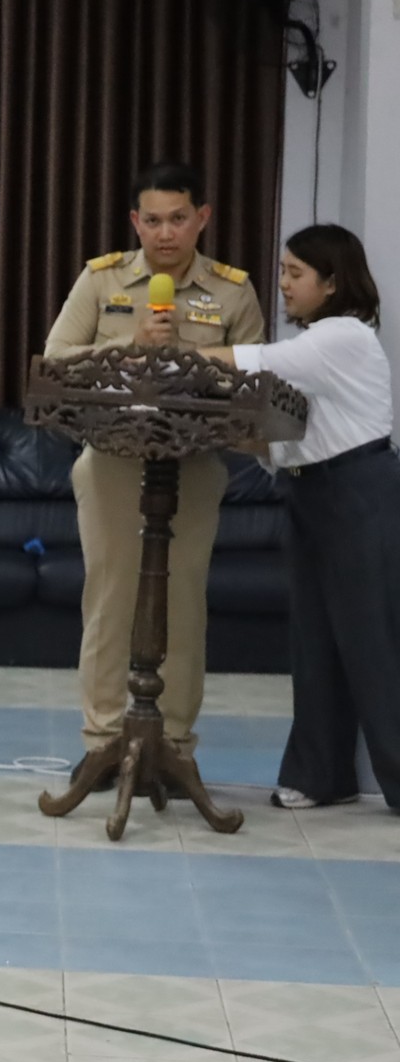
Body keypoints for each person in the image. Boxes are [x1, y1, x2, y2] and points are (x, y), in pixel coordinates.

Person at [45, 162, 265, 788]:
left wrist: (194, 360)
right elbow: (57, 361)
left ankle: (172, 743)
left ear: (202, 218)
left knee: (184, 603)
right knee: (112, 598)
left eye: (178, 218)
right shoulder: (102, 279)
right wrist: (131, 346)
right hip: (112, 463)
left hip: (193, 466)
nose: (165, 234)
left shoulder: (232, 292)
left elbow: (255, 385)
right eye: (152, 220)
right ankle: (106, 740)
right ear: (134, 222)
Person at [201, 225, 398, 810]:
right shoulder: (317, 344)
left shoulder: (342, 337)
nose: (282, 284)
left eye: (294, 274)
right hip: (311, 495)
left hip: (360, 493)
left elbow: (246, 362)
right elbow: (284, 442)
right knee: (315, 643)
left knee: (374, 644)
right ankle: (320, 775)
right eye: (282, 270)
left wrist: (173, 354)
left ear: (332, 284)